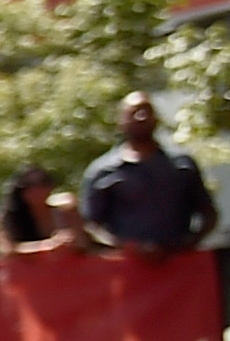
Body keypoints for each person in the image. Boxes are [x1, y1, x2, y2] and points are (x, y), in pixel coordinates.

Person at [80, 91, 216, 260]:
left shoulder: (181, 164)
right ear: (120, 122)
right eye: (133, 112)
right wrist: (127, 248)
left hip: (179, 265)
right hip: (127, 268)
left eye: (147, 110)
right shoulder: (102, 171)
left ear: (156, 118)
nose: (141, 116)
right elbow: (90, 226)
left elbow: (209, 214)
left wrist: (188, 243)